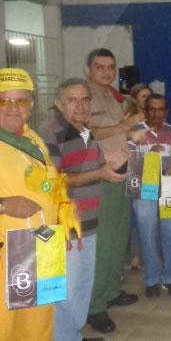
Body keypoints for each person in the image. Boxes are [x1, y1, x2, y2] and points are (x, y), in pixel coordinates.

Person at [42, 78, 126, 341]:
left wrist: (110, 163)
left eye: (85, 99)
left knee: (81, 287)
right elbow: (52, 182)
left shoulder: (85, 130)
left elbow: (92, 167)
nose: (80, 105)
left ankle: (73, 335)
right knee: (64, 290)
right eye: (72, 99)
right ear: (58, 103)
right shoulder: (50, 133)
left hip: (89, 221)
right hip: (64, 225)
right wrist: (99, 172)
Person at [0, 68, 76, 341]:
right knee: (5, 327)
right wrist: (3, 205)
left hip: (40, 248)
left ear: (31, 105)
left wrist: (60, 224)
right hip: (5, 253)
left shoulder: (34, 140)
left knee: (39, 324)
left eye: (20, 101)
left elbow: (52, 184)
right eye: (3, 101)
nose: (12, 108)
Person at [85, 49, 143, 334]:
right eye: (100, 67)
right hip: (100, 176)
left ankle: (110, 291)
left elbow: (122, 132)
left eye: (111, 67)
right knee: (104, 244)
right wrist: (123, 126)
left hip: (123, 172)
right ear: (88, 69)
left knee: (119, 239)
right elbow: (87, 132)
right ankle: (95, 306)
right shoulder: (83, 96)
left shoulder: (114, 96)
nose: (106, 72)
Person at [129, 93, 171, 298]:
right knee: (147, 232)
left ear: (166, 111)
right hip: (144, 185)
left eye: (161, 109)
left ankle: (170, 277)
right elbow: (130, 160)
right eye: (152, 109)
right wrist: (151, 155)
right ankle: (151, 278)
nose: (157, 113)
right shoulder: (135, 131)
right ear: (145, 110)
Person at [123, 83, 152, 271]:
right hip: (134, 173)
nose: (147, 100)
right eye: (143, 96)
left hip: (154, 172)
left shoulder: (156, 117)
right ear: (134, 99)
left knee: (150, 219)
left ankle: (144, 257)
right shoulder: (127, 119)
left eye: (150, 96)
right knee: (140, 218)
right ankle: (135, 256)